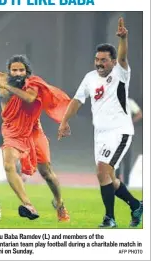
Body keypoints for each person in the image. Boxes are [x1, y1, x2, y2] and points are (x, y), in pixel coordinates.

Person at [58, 17, 143, 228]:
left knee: (102, 172)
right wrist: (64, 121)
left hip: (120, 131)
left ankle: (110, 218)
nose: (99, 63)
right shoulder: (89, 78)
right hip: (101, 134)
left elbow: (123, 57)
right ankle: (135, 205)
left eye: (104, 60)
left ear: (113, 62)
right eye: (97, 59)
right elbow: (77, 100)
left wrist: (123, 39)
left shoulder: (120, 73)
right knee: (108, 177)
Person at [0, 54, 70, 222]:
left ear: (27, 72)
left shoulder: (32, 84)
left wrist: (6, 86)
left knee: (46, 172)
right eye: (14, 70)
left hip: (33, 130)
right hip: (11, 130)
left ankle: (60, 203)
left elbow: (29, 98)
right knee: (8, 165)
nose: (18, 73)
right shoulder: (0, 78)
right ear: (8, 71)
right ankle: (28, 205)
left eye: (21, 70)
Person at [116, 98, 142, 185]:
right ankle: (120, 181)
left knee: (125, 158)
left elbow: (139, 114)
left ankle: (125, 182)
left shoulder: (129, 102)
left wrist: (131, 121)